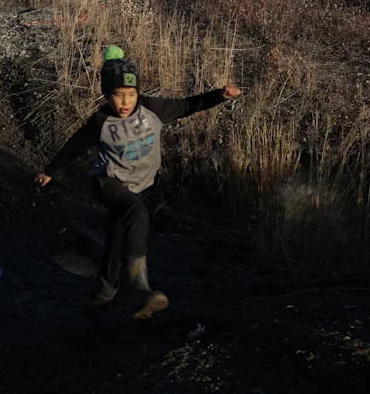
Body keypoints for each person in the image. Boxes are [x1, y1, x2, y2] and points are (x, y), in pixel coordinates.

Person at [35, 45, 241, 321]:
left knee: (118, 235)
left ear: (138, 93)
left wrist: (219, 96)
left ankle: (102, 293)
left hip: (140, 184)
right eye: (118, 95)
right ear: (107, 95)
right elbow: (75, 146)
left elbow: (188, 105)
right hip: (108, 181)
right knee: (137, 213)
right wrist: (50, 170)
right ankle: (139, 287)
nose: (125, 102)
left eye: (131, 94)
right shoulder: (101, 121)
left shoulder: (153, 109)